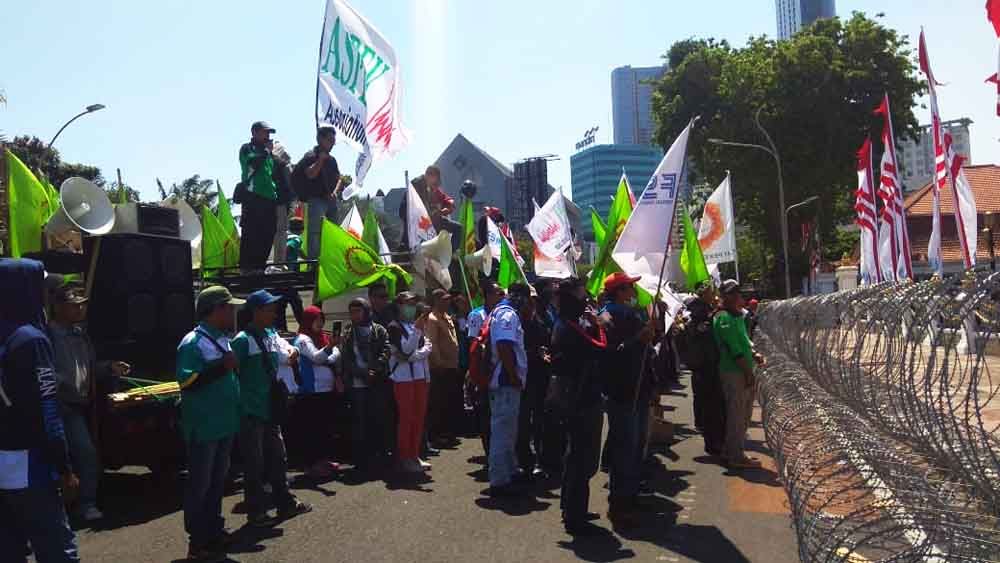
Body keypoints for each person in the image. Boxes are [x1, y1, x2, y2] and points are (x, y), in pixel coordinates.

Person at [0, 259, 80, 563]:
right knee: (56, 547)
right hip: (29, 466)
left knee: (8, 548)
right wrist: (64, 468)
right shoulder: (30, 340)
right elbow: (47, 409)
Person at [46, 282, 129, 523]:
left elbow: (89, 368)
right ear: (59, 308)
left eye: (81, 305)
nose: (80, 310)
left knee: (78, 455)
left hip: (79, 406)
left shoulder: (81, 335)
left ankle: (78, 503)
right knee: (83, 453)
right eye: (74, 306)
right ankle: (85, 504)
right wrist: (58, 382)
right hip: (59, 406)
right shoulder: (47, 335)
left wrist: (109, 367)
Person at [175, 285, 244, 562]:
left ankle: (213, 530)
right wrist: (221, 368)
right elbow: (187, 381)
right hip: (204, 426)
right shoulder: (193, 342)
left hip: (224, 423)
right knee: (200, 485)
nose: (233, 312)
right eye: (229, 307)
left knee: (218, 483)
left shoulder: (221, 337)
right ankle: (197, 541)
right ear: (216, 310)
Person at [232, 290, 312, 527]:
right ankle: (256, 512)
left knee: (278, 458)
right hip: (251, 411)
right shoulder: (242, 340)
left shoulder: (270, 334)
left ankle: (285, 503)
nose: (275, 312)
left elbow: (286, 356)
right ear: (256, 312)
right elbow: (231, 374)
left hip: (270, 409)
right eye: (269, 309)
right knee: (254, 464)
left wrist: (294, 352)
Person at [599, 272, 657, 529]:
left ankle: (626, 498)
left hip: (627, 389)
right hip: (627, 390)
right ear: (620, 291)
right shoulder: (618, 315)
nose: (634, 291)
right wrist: (640, 337)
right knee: (627, 448)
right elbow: (614, 352)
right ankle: (621, 504)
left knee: (630, 446)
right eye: (630, 287)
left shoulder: (611, 313)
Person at [552, 277, 607, 536]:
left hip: (580, 397)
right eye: (581, 292)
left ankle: (572, 507)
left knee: (577, 456)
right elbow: (598, 350)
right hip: (581, 399)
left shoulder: (570, 323)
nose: (586, 297)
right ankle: (575, 514)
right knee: (581, 459)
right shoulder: (568, 327)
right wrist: (598, 326)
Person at [712, 280, 765, 469]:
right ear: (726, 297)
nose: (738, 297)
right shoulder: (723, 317)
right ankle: (735, 456)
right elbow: (734, 348)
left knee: (743, 414)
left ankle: (733, 450)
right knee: (737, 414)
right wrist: (747, 372)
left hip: (743, 369)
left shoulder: (737, 316)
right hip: (734, 371)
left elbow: (744, 340)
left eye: (738, 293)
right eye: (734, 294)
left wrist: (754, 353)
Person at [487, 282, 530, 497]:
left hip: (507, 381)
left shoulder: (502, 312)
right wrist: (513, 376)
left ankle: (509, 471)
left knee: (508, 430)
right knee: (503, 432)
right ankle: (499, 481)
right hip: (504, 381)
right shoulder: (507, 315)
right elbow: (504, 346)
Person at [339, 297, 391, 474]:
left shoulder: (378, 330)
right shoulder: (347, 332)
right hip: (357, 384)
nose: (354, 315)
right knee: (359, 422)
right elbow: (345, 358)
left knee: (378, 419)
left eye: (358, 311)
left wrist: (374, 370)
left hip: (376, 382)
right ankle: (362, 459)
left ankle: (380, 456)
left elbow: (386, 350)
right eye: (352, 311)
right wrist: (361, 373)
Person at [292, 306, 342, 479]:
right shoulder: (302, 339)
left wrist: (328, 354)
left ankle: (323, 460)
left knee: (325, 428)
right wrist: (328, 352)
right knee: (312, 429)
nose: (320, 323)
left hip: (326, 390)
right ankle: (312, 464)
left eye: (322, 320)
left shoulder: (324, 338)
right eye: (316, 320)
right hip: (311, 391)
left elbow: (335, 354)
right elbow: (316, 357)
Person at [386, 292, 433, 473]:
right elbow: (405, 351)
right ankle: (404, 456)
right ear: (398, 305)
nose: (411, 307)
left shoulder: (414, 326)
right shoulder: (394, 326)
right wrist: (418, 333)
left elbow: (424, 348)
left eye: (414, 303)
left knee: (419, 418)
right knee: (406, 419)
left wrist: (416, 354)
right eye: (407, 303)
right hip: (403, 378)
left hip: (419, 377)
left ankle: (414, 454)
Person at [683, 281, 726, 456]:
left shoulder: (700, 313)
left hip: (703, 364)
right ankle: (713, 442)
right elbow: (704, 336)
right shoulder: (699, 315)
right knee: (711, 405)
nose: (713, 294)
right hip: (705, 365)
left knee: (708, 404)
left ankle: (712, 438)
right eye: (710, 291)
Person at [292, 124, 342, 260]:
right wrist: (320, 160)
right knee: (315, 232)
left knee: (334, 231)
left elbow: (339, 178)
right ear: (320, 139)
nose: (332, 144)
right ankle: (314, 262)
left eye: (334, 141)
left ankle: (332, 259)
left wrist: (335, 192)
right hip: (316, 199)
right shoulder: (310, 156)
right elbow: (310, 174)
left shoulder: (332, 160)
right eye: (329, 140)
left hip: (331, 200)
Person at [516, 286, 551, 477]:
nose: (532, 305)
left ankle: (539, 460)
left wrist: (545, 352)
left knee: (539, 422)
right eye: (529, 302)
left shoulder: (540, 321)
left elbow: (547, 342)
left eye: (534, 302)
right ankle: (523, 461)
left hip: (539, 378)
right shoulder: (517, 323)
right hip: (523, 379)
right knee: (523, 423)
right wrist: (533, 353)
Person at [239, 121, 281, 272]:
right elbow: (252, 164)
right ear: (254, 133)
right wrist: (267, 152)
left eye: (269, 133)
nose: (268, 136)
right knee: (251, 233)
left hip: (269, 199)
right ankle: (246, 269)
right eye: (265, 132)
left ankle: (260, 267)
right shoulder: (247, 148)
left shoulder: (268, 153)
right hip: (253, 197)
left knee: (268, 232)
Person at [467, 280, 503, 457]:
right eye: (498, 293)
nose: (501, 297)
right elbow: (473, 344)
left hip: (498, 369)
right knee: (485, 413)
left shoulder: (503, 314)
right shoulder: (477, 315)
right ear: (487, 296)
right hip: (483, 370)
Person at [426, 289, 461, 446]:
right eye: (444, 299)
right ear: (437, 300)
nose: (448, 302)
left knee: (449, 401)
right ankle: (437, 435)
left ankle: (447, 432)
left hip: (452, 365)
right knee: (438, 402)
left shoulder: (447, 317)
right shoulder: (432, 319)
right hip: (441, 368)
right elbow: (432, 343)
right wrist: (438, 363)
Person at [270, 140, 295, 265]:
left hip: (266, 203)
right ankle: (279, 263)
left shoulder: (266, 162)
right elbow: (290, 185)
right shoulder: (282, 164)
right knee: (280, 233)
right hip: (280, 203)